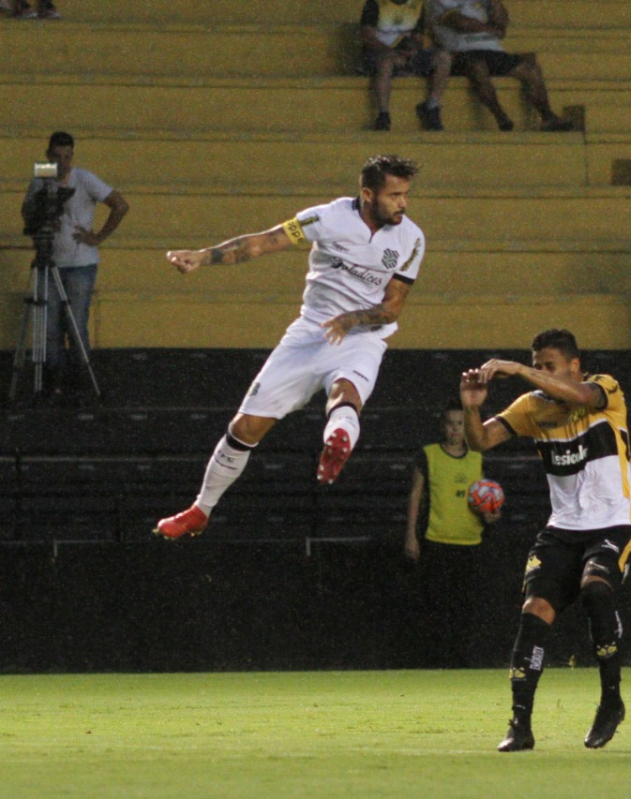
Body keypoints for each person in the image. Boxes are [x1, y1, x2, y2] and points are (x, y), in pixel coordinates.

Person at [153, 155, 426, 539]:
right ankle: (201, 510)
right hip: (310, 332)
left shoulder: (411, 238)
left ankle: (338, 437)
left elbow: (393, 306)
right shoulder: (329, 218)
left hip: (362, 336)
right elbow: (263, 243)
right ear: (367, 194)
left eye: (406, 195)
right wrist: (203, 256)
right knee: (244, 427)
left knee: (345, 392)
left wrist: (351, 320)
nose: (403, 203)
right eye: (395, 195)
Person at [460, 328, 631, 751]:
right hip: (563, 527)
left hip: (615, 520)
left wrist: (520, 368)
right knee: (534, 610)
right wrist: (471, 409)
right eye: (538, 365)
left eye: (549, 366)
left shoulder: (604, 389)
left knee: (596, 590)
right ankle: (520, 725)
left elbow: (580, 397)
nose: (541, 374)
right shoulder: (532, 407)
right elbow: (480, 440)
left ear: (574, 366)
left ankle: (611, 702)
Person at [21, 131, 129, 398]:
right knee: (49, 325)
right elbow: (26, 212)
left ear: (73, 156)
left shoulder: (84, 178)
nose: (62, 163)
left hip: (80, 263)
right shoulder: (42, 178)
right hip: (50, 261)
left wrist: (97, 237)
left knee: (75, 323)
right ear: (48, 156)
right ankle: (52, 379)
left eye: (67, 157)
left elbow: (120, 205)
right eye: (57, 157)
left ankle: (80, 378)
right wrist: (40, 218)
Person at [404, 400, 501, 667]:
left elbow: (490, 499)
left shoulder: (478, 456)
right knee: (436, 606)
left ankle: (462, 663)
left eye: (460, 424)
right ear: (442, 426)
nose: (455, 429)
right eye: (450, 423)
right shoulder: (428, 454)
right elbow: (415, 494)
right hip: (436, 540)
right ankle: (435, 662)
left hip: (470, 541)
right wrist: (411, 535)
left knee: (465, 608)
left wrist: (492, 514)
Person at [427, 0, 575, 132]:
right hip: (462, 52)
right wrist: (490, 29)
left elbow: (502, 25)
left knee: (530, 69)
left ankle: (548, 117)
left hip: (493, 51)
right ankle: (501, 117)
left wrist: (494, 3)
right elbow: (460, 23)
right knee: (477, 67)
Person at [360, 0, 452, 132]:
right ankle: (383, 115)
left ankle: (431, 106)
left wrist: (412, 50)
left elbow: (418, 39)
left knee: (443, 57)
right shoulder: (375, 4)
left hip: (404, 55)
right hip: (379, 53)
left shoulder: (417, 5)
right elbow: (367, 37)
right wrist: (390, 52)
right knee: (386, 63)